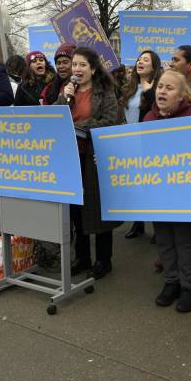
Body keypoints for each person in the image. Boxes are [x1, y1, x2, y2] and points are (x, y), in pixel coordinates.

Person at [144, 70, 191, 312]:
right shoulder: (148, 118)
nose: (162, 91)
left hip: (187, 195)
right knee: (165, 241)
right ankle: (171, 282)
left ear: (182, 95)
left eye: (169, 88)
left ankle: (189, 287)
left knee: (186, 243)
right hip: (159, 194)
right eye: (160, 86)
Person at [56, 47, 120, 279]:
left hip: (93, 157)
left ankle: (104, 259)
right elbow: (54, 118)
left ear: (93, 69)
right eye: (74, 65)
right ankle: (82, 257)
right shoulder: (67, 91)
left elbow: (110, 121)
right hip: (70, 157)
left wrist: (80, 127)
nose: (77, 69)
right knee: (75, 210)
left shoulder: (105, 92)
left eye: (82, 65)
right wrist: (65, 97)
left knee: (98, 208)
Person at [119, 50, 163, 239]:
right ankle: (138, 223)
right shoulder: (128, 88)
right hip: (130, 142)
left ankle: (158, 226)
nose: (140, 62)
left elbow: (157, 112)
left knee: (151, 185)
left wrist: (150, 90)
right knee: (135, 184)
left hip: (149, 142)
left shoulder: (157, 88)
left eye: (146, 60)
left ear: (154, 66)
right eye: (138, 59)